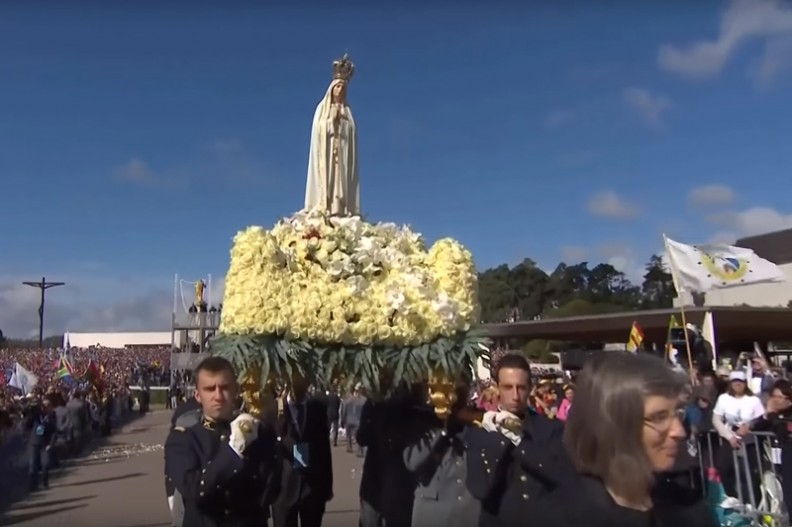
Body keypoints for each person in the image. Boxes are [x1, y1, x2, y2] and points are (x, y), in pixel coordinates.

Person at [533, 352, 716, 527]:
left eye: (677, 413)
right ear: (614, 427)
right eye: (659, 417)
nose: (679, 431)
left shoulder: (689, 508)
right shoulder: (563, 517)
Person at [164, 357, 280, 527]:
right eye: (210, 389)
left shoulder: (257, 432)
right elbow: (195, 489)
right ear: (198, 395)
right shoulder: (183, 439)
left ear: (236, 390)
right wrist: (234, 451)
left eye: (224, 388)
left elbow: (271, 486)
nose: (218, 396)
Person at [465, 354, 575, 526]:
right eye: (508, 387)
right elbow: (479, 489)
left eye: (521, 387)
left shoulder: (550, 428)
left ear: (531, 388)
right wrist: (501, 440)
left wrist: (520, 443)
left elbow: (560, 475)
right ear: (497, 388)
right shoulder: (480, 431)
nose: (515, 396)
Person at [403, 374, 479, 527]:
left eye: (461, 389)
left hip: (469, 514)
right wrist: (442, 425)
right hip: (434, 514)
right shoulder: (422, 420)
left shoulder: (475, 419)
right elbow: (412, 461)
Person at [269, 374, 333, 527]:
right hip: (284, 490)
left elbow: (324, 449)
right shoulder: (275, 410)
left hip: (312, 489)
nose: (298, 383)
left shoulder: (317, 408)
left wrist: (327, 486)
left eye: (302, 378)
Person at [304, 53, 360, 217]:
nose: (340, 90)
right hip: (327, 157)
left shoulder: (348, 112)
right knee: (328, 181)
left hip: (341, 157)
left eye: (343, 87)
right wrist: (331, 122)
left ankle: (341, 209)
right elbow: (318, 129)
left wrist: (343, 123)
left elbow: (352, 135)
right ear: (331, 89)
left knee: (340, 182)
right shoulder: (322, 109)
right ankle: (324, 207)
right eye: (337, 86)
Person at [712, 370, 765, 499]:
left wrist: (749, 426)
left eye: (740, 382)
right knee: (725, 471)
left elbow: (761, 419)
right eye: (735, 382)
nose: (738, 385)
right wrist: (729, 437)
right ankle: (733, 501)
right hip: (729, 441)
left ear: (745, 384)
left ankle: (753, 507)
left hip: (749, 444)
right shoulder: (723, 398)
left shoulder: (753, 400)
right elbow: (716, 419)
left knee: (749, 478)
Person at [25, 393, 57, 491]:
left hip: (45, 444)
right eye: (44, 405)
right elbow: (28, 418)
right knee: (33, 465)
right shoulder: (37, 416)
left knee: (45, 464)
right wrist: (32, 405)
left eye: (48, 405)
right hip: (34, 442)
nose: (46, 407)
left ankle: (44, 482)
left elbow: (54, 432)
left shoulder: (52, 417)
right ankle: (33, 486)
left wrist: (50, 444)